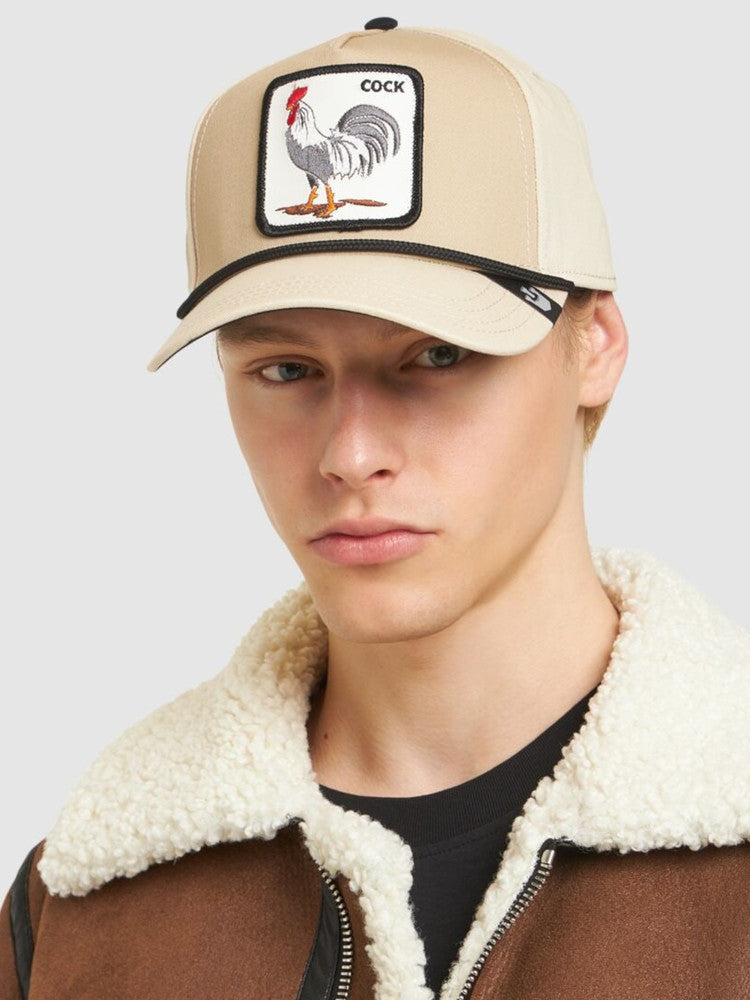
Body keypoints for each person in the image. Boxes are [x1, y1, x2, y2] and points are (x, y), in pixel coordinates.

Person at [2, 18, 748, 1000]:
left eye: (436, 355)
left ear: (595, 343)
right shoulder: (85, 904)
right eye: (286, 369)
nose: (350, 455)